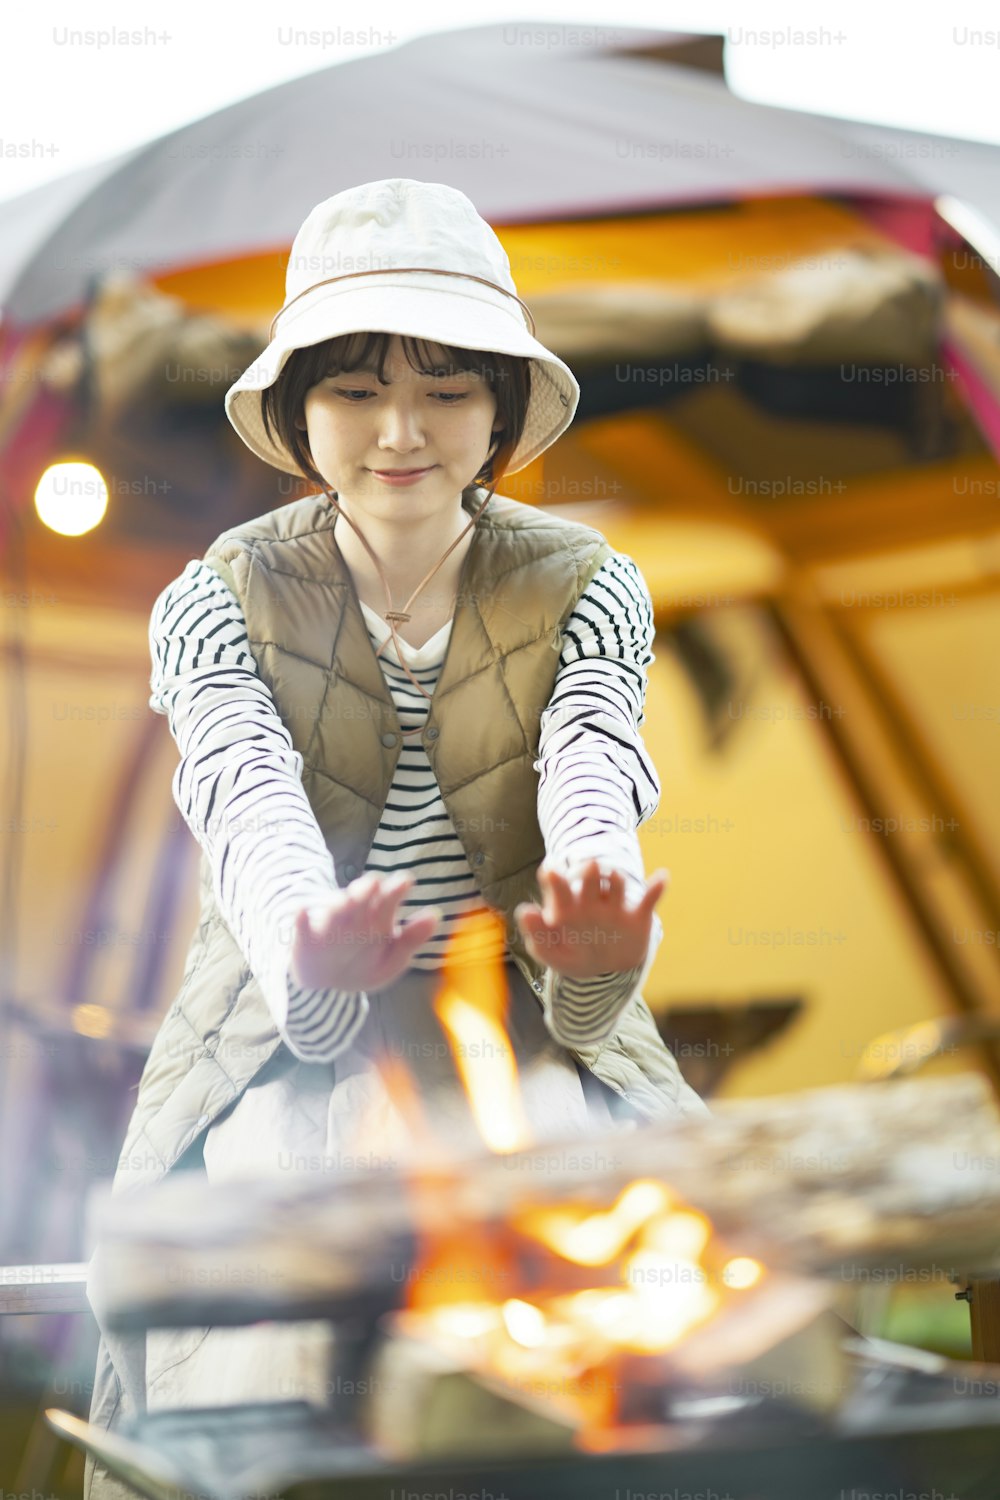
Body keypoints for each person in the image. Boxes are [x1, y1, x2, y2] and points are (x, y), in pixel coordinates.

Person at [82, 178, 709, 1500]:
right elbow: (242, 787)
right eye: (357, 391)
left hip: (530, 1047)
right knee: (277, 1414)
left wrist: (594, 896)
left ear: (498, 407)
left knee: (597, 1386)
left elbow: (593, 747)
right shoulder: (216, 597)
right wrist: (312, 953)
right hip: (282, 1060)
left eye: (445, 389)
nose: (402, 431)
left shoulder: (587, 577)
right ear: (301, 412)